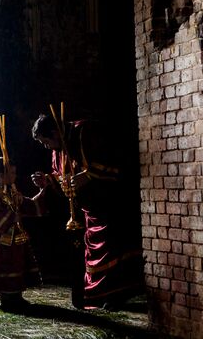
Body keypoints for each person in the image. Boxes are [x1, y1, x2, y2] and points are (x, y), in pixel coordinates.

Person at [31, 114, 144, 311]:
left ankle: (116, 294)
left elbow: (113, 159)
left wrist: (90, 175)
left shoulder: (85, 132)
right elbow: (63, 175)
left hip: (109, 205)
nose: (46, 146)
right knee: (92, 252)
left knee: (113, 249)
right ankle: (99, 293)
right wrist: (48, 180)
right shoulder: (59, 147)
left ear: (55, 133)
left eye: (46, 141)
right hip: (88, 209)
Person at [0, 156, 45, 312]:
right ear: (1, 176)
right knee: (6, 264)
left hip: (17, 237)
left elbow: (27, 204)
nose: (14, 176)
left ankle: (16, 294)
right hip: (3, 239)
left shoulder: (13, 192)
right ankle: (6, 296)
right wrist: (12, 217)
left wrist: (43, 192)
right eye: (11, 173)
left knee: (18, 262)